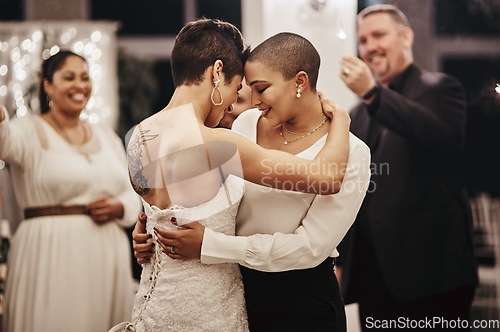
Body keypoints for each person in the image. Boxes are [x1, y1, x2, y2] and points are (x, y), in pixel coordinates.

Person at [118, 19, 352, 332]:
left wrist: (143, 236)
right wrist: (342, 121)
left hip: (154, 308)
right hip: (208, 313)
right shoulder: (219, 145)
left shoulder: (138, 137)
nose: (234, 102)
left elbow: (156, 213)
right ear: (217, 72)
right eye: (237, 86)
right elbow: (327, 178)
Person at [336, 4, 478, 330]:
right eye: (363, 40)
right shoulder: (357, 114)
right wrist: (343, 258)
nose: (369, 46)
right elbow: (354, 189)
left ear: (406, 37)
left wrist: (373, 94)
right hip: (374, 275)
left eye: (378, 35)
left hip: (433, 274)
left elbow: (440, 134)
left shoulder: (439, 88)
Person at [0, 51, 142, 332]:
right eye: (69, 77)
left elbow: (132, 190)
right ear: (48, 85)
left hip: (106, 257)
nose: (80, 85)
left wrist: (120, 207)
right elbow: (3, 142)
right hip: (49, 254)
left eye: (85, 77)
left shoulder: (105, 134)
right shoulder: (27, 130)